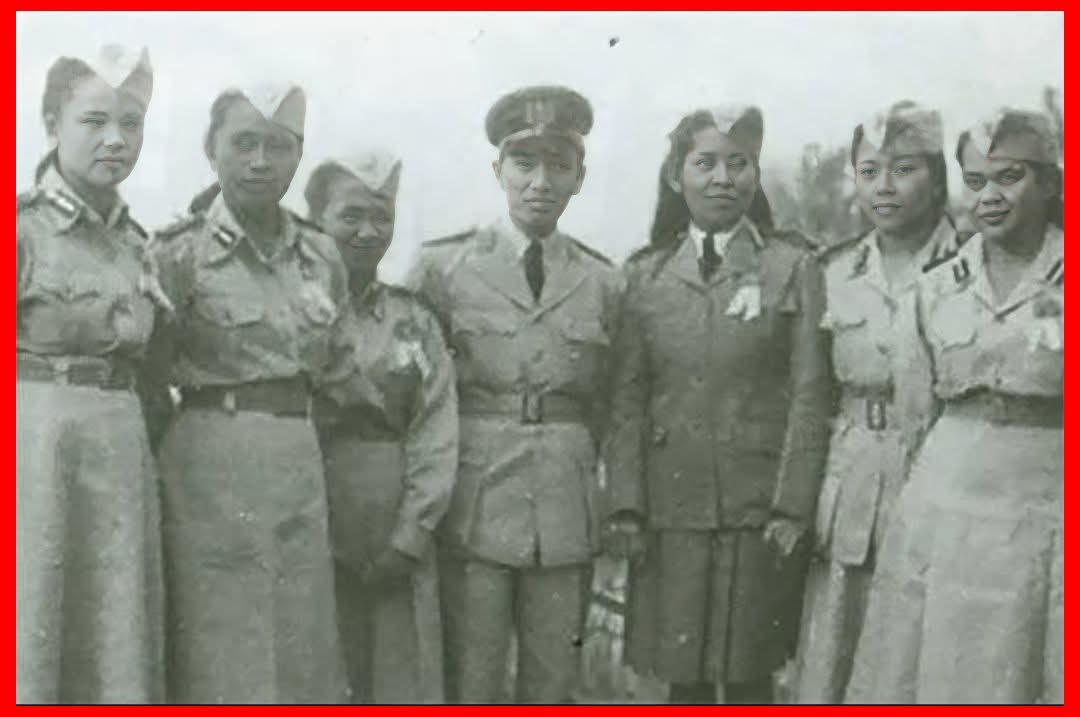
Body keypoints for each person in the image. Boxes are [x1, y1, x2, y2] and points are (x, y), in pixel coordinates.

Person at [603, 104, 831, 704]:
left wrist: (791, 507)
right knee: (685, 676)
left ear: (756, 173)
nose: (723, 178)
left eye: (739, 163)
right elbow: (627, 399)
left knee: (752, 671)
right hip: (671, 507)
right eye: (705, 163)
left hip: (756, 509)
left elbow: (810, 393)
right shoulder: (646, 277)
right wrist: (626, 505)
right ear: (676, 175)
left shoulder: (792, 267)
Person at [405, 85, 622, 703]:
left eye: (559, 165)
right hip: (474, 502)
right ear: (497, 170)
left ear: (580, 176)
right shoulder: (442, 269)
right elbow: (416, 397)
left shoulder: (603, 281)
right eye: (524, 164)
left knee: (554, 683)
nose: (540, 182)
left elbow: (612, 402)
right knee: (470, 678)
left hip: (564, 507)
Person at [845, 109, 1064, 704]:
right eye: (975, 181)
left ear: (1050, 182)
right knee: (937, 661)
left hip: (1047, 507)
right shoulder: (938, 286)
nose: (990, 197)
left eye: (1010, 178)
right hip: (946, 509)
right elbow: (916, 412)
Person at [143, 83, 349, 703]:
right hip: (208, 465)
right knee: (214, 635)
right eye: (244, 143)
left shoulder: (320, 255)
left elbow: (336, 369)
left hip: (296, 464)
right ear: (212, 149)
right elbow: (149, 373)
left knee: (299, 638)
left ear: (299, 154)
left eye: (279, 147)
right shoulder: (177, 252)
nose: (261, 161)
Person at [793, 101, 963, 703]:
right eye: (869, 172)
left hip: (938, 476)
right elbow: (811, 397)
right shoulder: (834, 272)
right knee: (836, 654)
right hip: (853, 484)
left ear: (937, 179)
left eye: (903, 169)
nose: (884, 187)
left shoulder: (968, 265)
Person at [16, 45, 165, 704]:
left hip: (121, 446)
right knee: (32, 615)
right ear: (52, 123)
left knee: (115, 628)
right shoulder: (22, 230)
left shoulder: (138, 244)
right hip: (35, 448)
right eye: (94, 121)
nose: (116, 139)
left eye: (131, 122)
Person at [304, 150, 458, 703]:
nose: (368, 232)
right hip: (307, 515)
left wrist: (410, 536)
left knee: (399, 675)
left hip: (394, 522)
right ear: (316, 218)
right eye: (351, 216)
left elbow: (435, 429)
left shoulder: (413, 319)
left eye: (382, 217)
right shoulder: (293, 306)